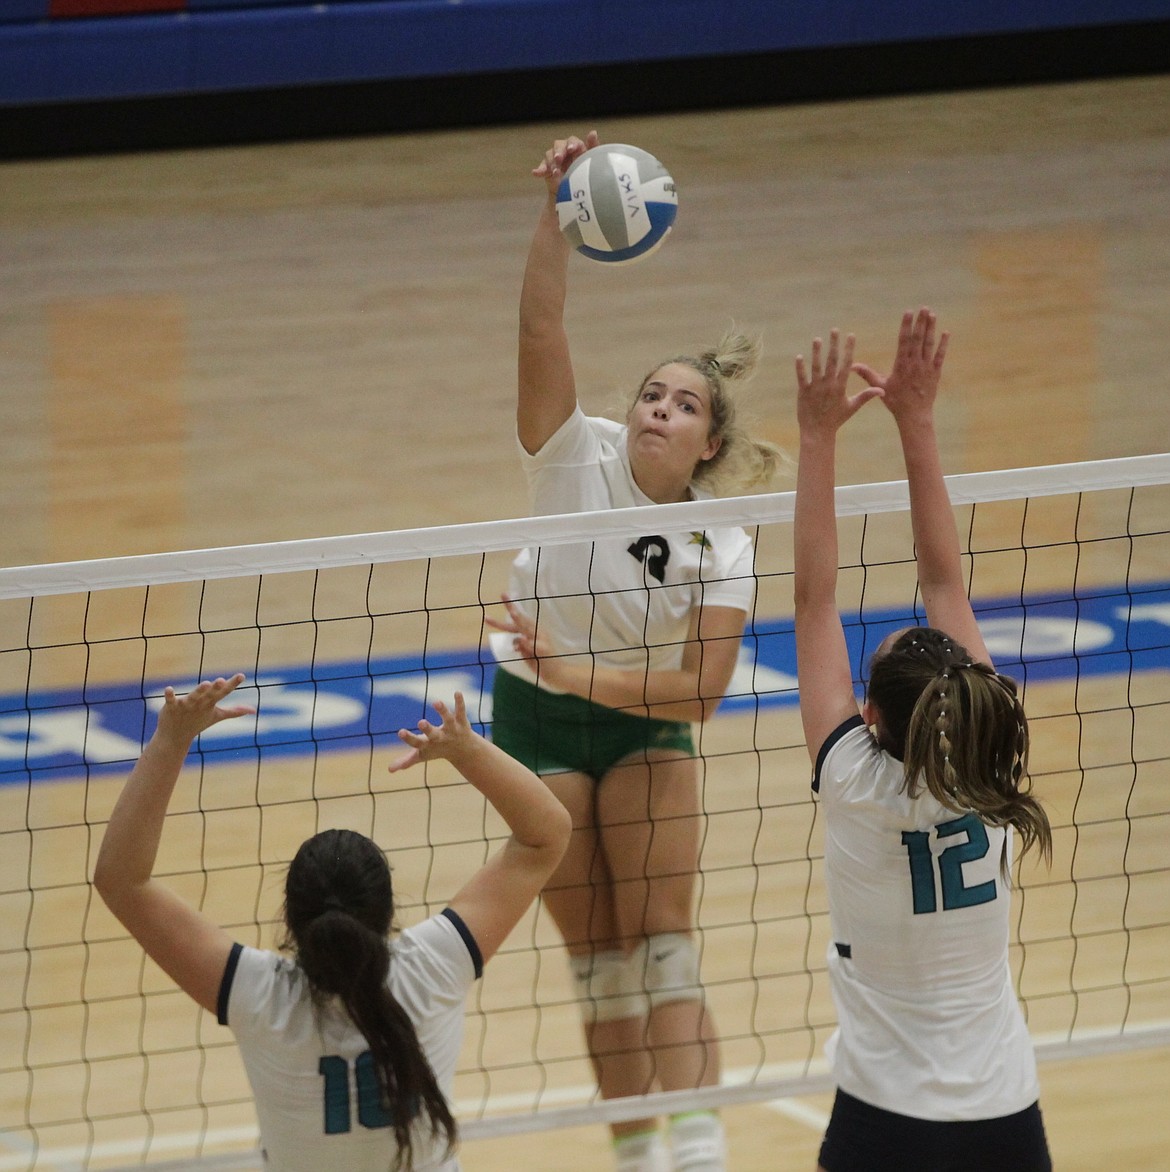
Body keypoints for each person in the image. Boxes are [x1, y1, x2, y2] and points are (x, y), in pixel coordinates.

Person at [484, 132, 783, 1172]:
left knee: (660, 933)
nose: (659, 407)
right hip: (537, 717)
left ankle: (698, 1147)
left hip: (644, 716)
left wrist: (577, 672)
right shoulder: (574, 450)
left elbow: (703, 692)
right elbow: (538, 321)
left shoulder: (723, 536)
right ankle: (639, 1151)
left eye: (685, 403)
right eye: (652, 394)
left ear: (707, 442)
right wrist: (559, 213)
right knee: (599, 955)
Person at [93, 676, 571, 1172]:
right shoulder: (434, 967)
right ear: (387, 914)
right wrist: (467, 750)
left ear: (291, 917)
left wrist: (171, 740)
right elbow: (545, 836)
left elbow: (121, 880)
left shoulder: (256, 994)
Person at [792, 308, 1054, 1172]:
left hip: (886, 1121)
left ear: (868, 718)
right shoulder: (991, 759)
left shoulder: (852, 782)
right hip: (1005, 1117)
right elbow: (946, 580)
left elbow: (814, 600)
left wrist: (817, 437)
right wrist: (919, 418)